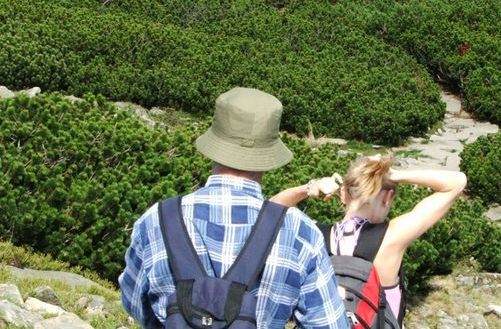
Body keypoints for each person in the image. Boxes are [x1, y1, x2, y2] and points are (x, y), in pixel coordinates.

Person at [119, 87, 349, 329]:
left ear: (215, 143)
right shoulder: (300, 232)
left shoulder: (157, 219)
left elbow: (134, 301)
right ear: (268, 153)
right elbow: (329, 325)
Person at [272, 155, 467, 327]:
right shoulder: (391, 237)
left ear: (343, 194)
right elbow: (456, 182)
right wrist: (395, 175)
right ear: (388, 197)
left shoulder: (313, 232)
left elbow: (270, 211)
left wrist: (308, 188)